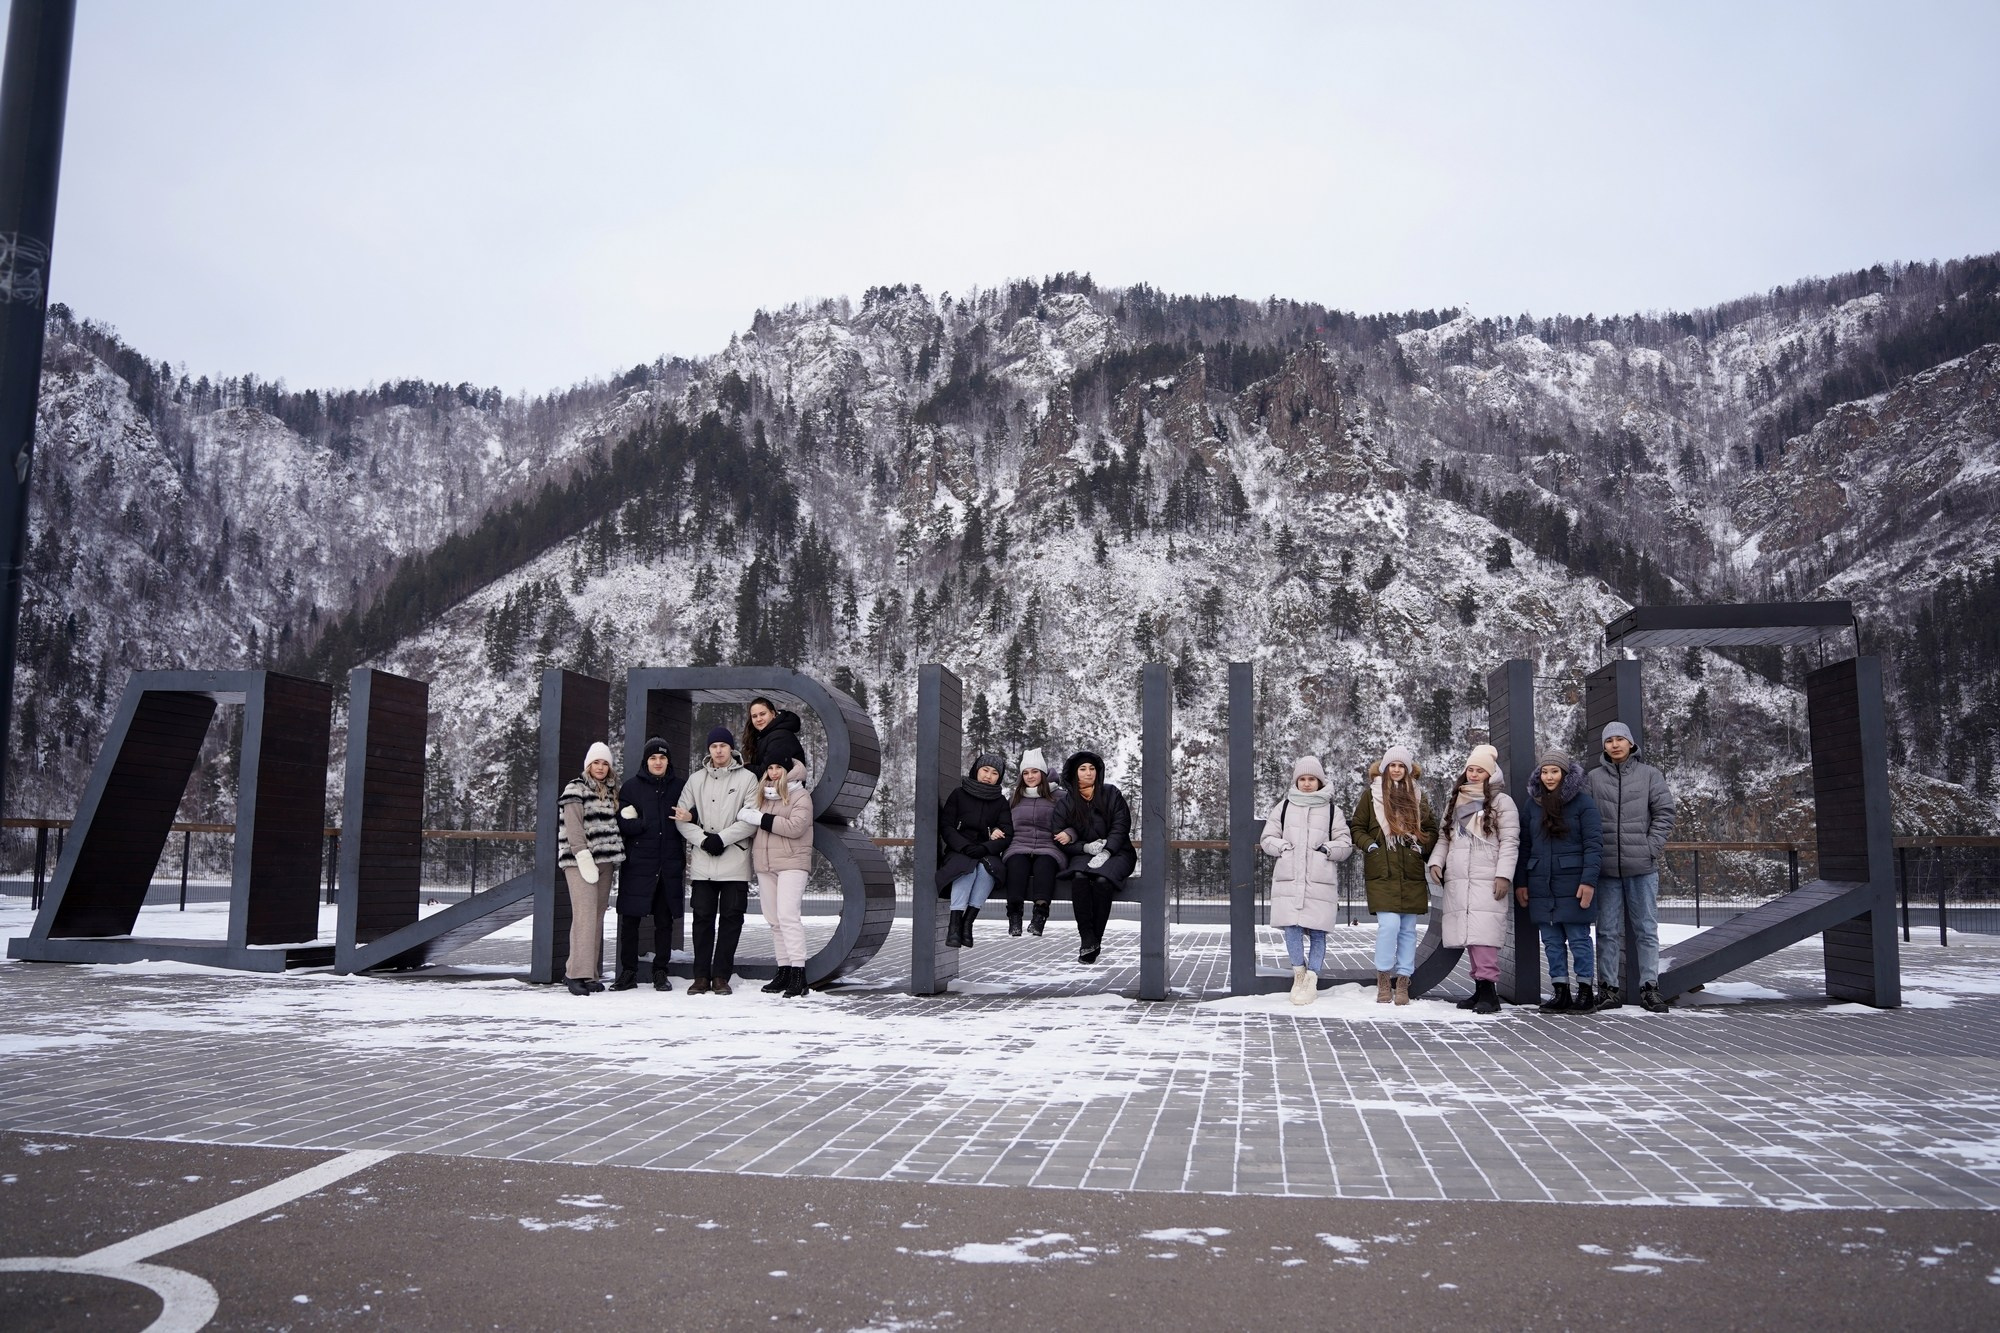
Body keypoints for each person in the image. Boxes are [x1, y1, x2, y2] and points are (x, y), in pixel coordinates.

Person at [1584, 720, 1677, 1013]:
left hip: (1643, 868)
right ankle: (1608, 990)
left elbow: (1664, 813)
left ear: (1630, 742)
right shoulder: (1593, 779)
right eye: (1609, 740)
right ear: (1604, 746)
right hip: (1607, 868)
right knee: (1607, 931)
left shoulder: (1650, 775)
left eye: (1619, 739)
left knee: (1646, 929)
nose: (1614, 745)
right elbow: (1585, 819)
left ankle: (1650, 988)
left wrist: (1650, 848)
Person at [1426, 743, 1520, 1015]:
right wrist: (1436, 861)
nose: (1475, 774)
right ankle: (1480, 987)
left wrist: (1504, 874)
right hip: (1459, 876)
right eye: (1471, 769)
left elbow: (1510, 842)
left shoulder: (1502, 802)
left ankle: (1489, 990)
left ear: (1490, 774)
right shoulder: (1457, 800)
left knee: (1484, 934)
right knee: (1471, 933)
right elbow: (1445, 837)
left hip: (1486, 875)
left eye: (1481, 770)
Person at [1259, 756, 1353, 1005]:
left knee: (1319, 932)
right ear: (1296, 781)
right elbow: (1267, 838)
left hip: (1319, 880)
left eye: (1312, 779)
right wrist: (1283, 847)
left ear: (1320, 781)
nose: (1307, 783)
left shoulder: (1333, 810)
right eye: (1303, 779)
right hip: (1290, 878)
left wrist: (1327, 850)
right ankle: (1298, 974)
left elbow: (1345, 844)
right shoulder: (1284, 807)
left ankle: (1312, 978)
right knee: (1292, 928)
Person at [1350, 743, 1438, 1006]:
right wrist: (1372, 846)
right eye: (1393, 766)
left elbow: (1432, 829)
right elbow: (1357, 827)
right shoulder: (1371, 796)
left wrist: (1421, 845)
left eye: (1402, 766)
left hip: (1410, 870)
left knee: (1408, 929)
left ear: (1408, 770)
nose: (1397, 770)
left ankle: (1403, 981)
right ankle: (1383, 979)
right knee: (1389, 926)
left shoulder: (1418, 796)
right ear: (1385, 769)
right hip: (1383, 870)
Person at [675, 725, 761, 995]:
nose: (719, 750)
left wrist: (721, 839)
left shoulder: (748, 779)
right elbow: (680, 816)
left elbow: (752, 818)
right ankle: (700, 976)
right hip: (703, 863)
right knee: (701, 919)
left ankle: (721, 975)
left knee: (731, 919)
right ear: (709, 749)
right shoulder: (695, 780)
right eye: (714, 746)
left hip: (735, 860)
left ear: (731, 748)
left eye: (723, 746)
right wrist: (703, 839)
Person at [1517, 749, 1602, 1013]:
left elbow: (1594, 845)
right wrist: (1521, 882)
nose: (1549, 776)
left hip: (1573, 881)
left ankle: (1585, 991)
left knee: (1578, 938)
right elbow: (1525, 846)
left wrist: (1588, 881)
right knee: (1552, 941)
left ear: (1565, 774)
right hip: (1541, 883)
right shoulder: (1533, 805)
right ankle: (1560, 991)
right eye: (1544, 771)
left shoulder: (1583, 803)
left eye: (1554, 771)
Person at [744, 727, 814, 999]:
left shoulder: (799, 795)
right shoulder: (764, 795)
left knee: (788, 916)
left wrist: (760, 819)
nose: (773, 773)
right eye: (770, 768)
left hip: (792, 863)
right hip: (766, 863)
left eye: (778, 768)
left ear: (787, 769)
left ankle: (799, 972)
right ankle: (783, 969)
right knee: (773, 920)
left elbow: (796, 827)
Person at [613, 736, 687, 992]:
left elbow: (691, 817)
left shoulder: (680, 787)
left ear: (668, 761)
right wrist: (642, 824)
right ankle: (628, 972)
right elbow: (622, 822)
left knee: (664, 922)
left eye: (662, 757)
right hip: (638, 866)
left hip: (668, 865)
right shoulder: (631, 787)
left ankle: (660, 971)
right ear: (646, 761)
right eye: (653, 758)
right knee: (630, 921)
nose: (658, 762)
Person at [1053, 749, 1135, 965]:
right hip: (1084, 851)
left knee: (1101, 880)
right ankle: (1087, 938)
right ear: (1074, 773)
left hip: (1118, 852)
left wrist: (1107, 851)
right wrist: (1086, 848)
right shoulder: (1066, 802)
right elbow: (1058, 836)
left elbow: (1121, 826)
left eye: (1092, 768)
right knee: (1079, 877)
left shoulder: (1111, 793)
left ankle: (1093, 940)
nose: (1088, 773)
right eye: (1083, 769)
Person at [558, 741, 626, 997]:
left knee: (596, 916)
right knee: (584, 916)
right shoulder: (575, 789)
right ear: (588, 764)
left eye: (605, 763)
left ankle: (590, 973)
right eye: (596, 762)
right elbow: (574, 827)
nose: (600, 767)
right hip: (580, 861)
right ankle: (575, 973)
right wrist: (582, 855)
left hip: (605, 860)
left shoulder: (610, 791)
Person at [937, 752, 1013, 949]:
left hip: (987, 852)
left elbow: (1007, 833)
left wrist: (985, 847)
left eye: (994, 773)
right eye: (985, 770)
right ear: (976, 770)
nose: (988, 775)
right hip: (959, 849)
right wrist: (964, 846)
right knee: (966, 869)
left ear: (999, 777)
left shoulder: (1000, 802)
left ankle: (967, 923)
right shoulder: (959, 794)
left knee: (987, 870)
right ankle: (954, 926)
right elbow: (946, 826)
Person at [1000, 747, 1063, 937]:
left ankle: (1040, 916)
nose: (1030, 776)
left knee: (1045, 865)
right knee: (1016, 865)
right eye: (1026, 773)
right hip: (1019, 844)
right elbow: (1003, 822)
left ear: (1043, 773)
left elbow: (1074, 822)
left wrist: (1068, 833)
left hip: (1048, 846)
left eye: (1034, 771)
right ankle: (1014, 916)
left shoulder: (1059, 797)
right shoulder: (1015, 797)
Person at [743, 696, 806, 778]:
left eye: (762, 714)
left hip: (784, 789)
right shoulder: (765, 735)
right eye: (754, 716)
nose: (758, 719)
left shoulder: (779, 737)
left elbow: (768, 773)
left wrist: (744, 768)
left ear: (773, 714)